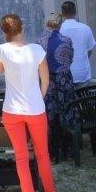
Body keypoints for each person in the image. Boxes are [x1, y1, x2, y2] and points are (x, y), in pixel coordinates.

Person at [0, 14, 68, 192]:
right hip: (35, 109)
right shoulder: (37, 50)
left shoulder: (2, 50)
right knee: (42, 154)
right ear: (23, 27)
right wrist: (39, 97)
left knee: (21, 157)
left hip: (12, 110)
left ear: (4, 31)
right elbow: (46, 80)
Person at [37, 13, 78, 162]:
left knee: (49, 115)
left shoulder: (39, 41)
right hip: (64, 80)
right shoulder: (66, 40)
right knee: (67, 112)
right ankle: (70, 148)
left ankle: (52, 150)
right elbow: (70, 59)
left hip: (47, 81)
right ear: (60, 25)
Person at [59, 1, 96, 85]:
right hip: (83, 73)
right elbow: (90, 50)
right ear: (75, 12)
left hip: (65, 74)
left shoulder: (59, 30)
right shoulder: (86, 28)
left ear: (62, 14)